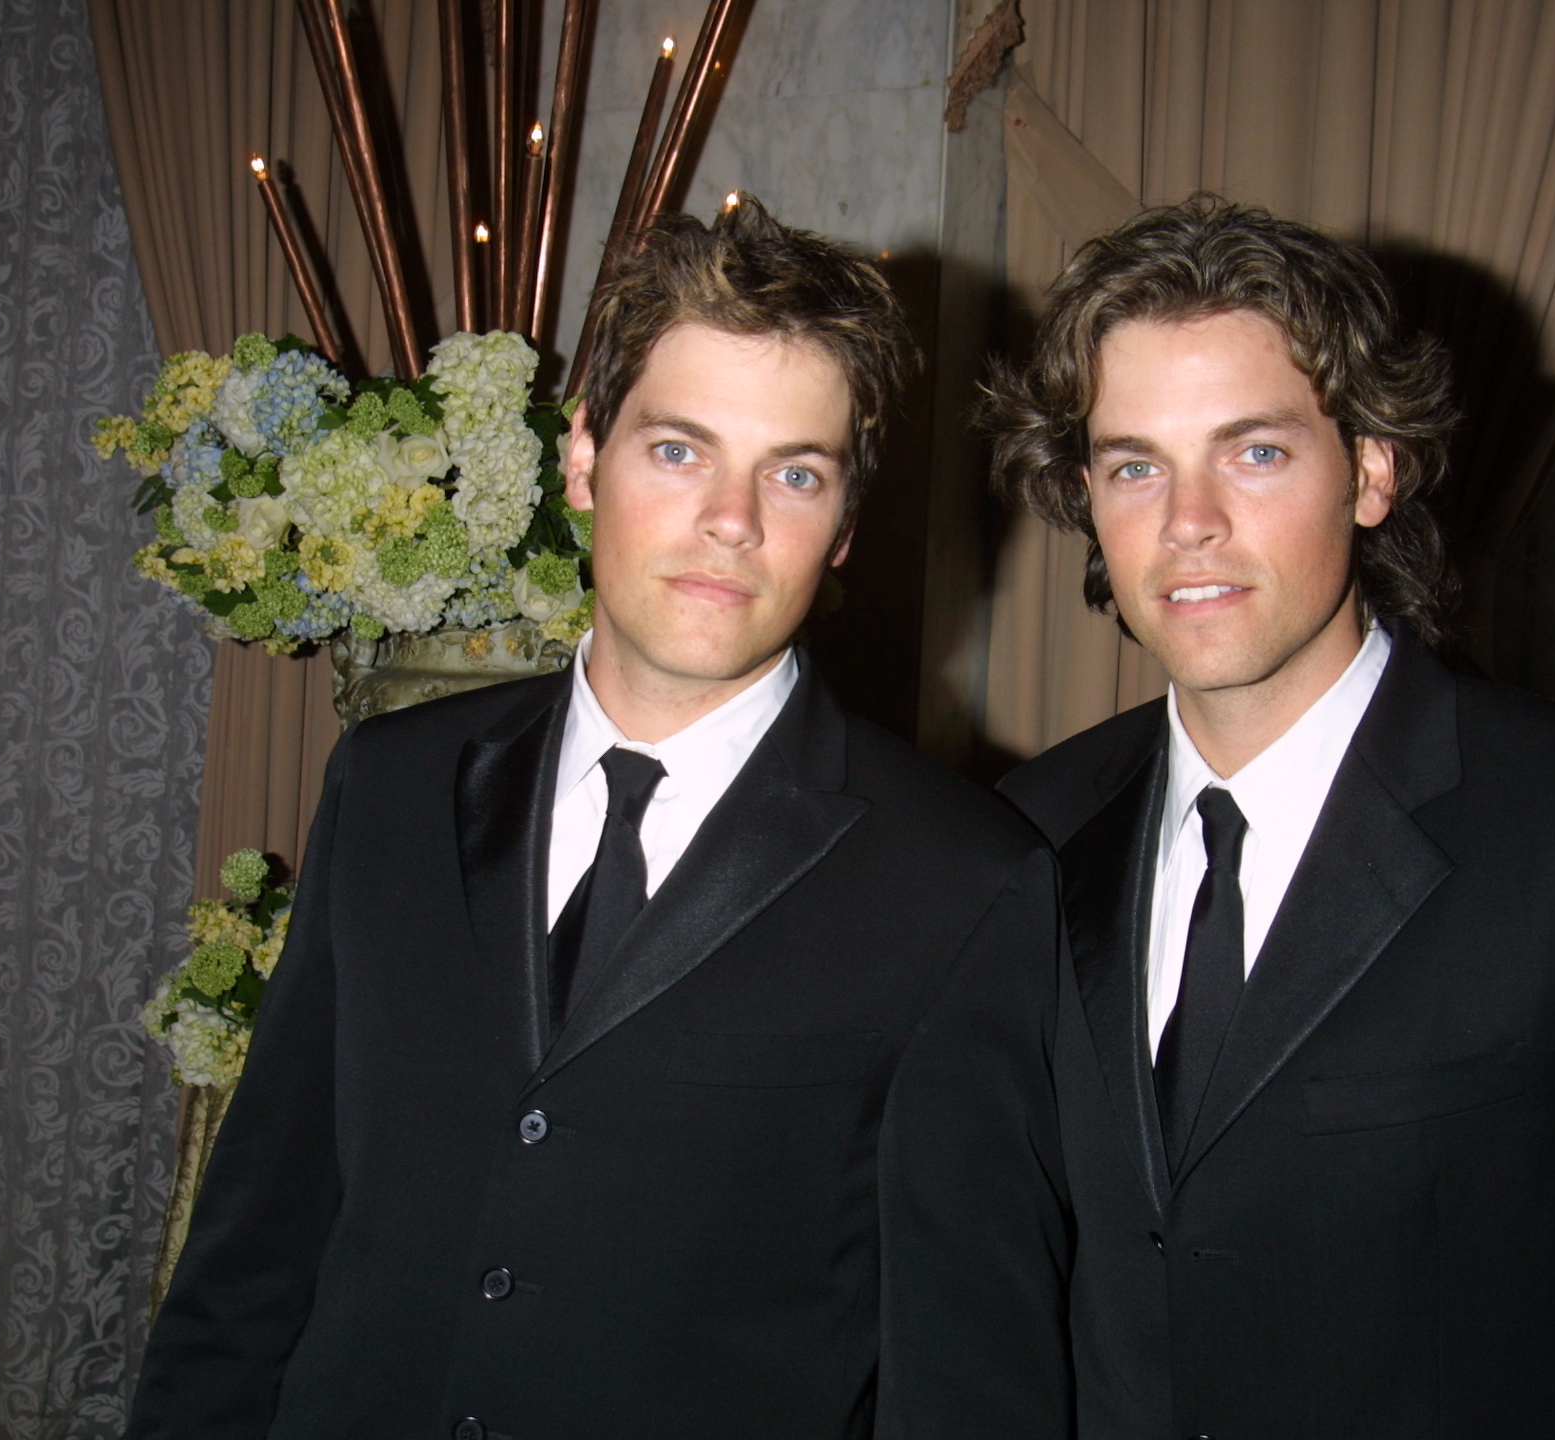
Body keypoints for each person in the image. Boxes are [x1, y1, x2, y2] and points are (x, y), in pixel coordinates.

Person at [127, 197, 1070, 1440]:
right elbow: (257, 1241)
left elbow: (968, 1379)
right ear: (582, 459)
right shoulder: (392, 782)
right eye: (679, 451)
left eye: (794, 474)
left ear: (844, 528)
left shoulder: (962, 880)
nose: (731, 520)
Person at [986, 195, 1555, 1439]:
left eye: (1254, 452)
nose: (1188, 521)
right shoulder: (1024, 836)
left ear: (1370, 470)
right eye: (1136, 464)